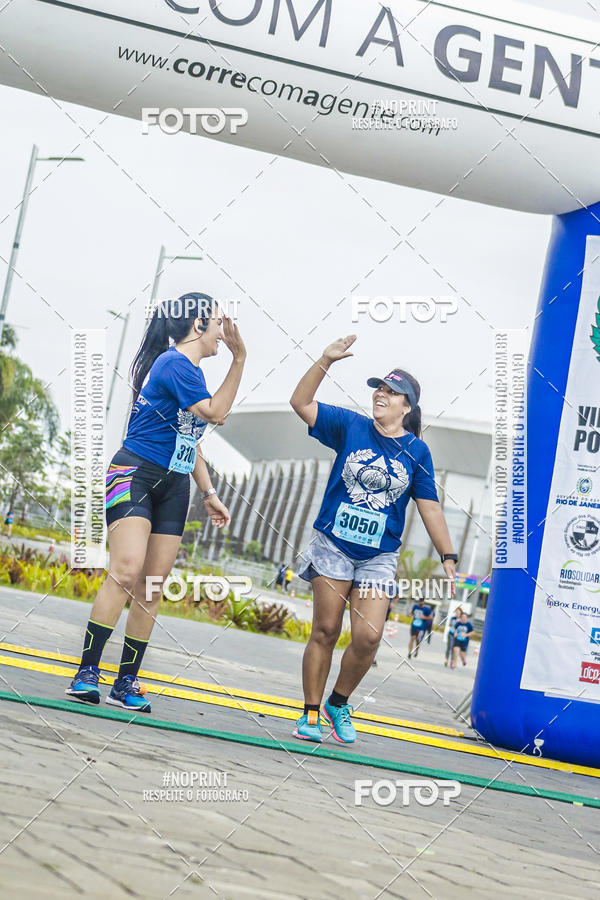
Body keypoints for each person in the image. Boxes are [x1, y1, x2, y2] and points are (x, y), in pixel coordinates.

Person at [65, 293, 246, 712]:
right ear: (199, 324)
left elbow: (191, 440)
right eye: (219, 322)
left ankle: (126, 681)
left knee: (151, 587)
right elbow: (217, 412)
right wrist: (240, 359)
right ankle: (87, 672)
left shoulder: (191, 372)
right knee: (127, 571)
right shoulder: (175, 364)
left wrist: (209, 493)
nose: (224, 331)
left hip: (174, 484)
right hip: (134, 474)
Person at [289, 336, 457, 744]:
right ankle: (310, 713)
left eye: (391, 391)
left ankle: (338, 702)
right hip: (333, 546)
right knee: (326, 630)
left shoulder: (417, 452)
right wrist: (325, 361)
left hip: (378, 556)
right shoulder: (350, 426)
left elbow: (429, 507)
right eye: (379, 388)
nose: (381, 394)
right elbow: (300, 403)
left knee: (368, 636)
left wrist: (448, 556)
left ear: (407, 407)